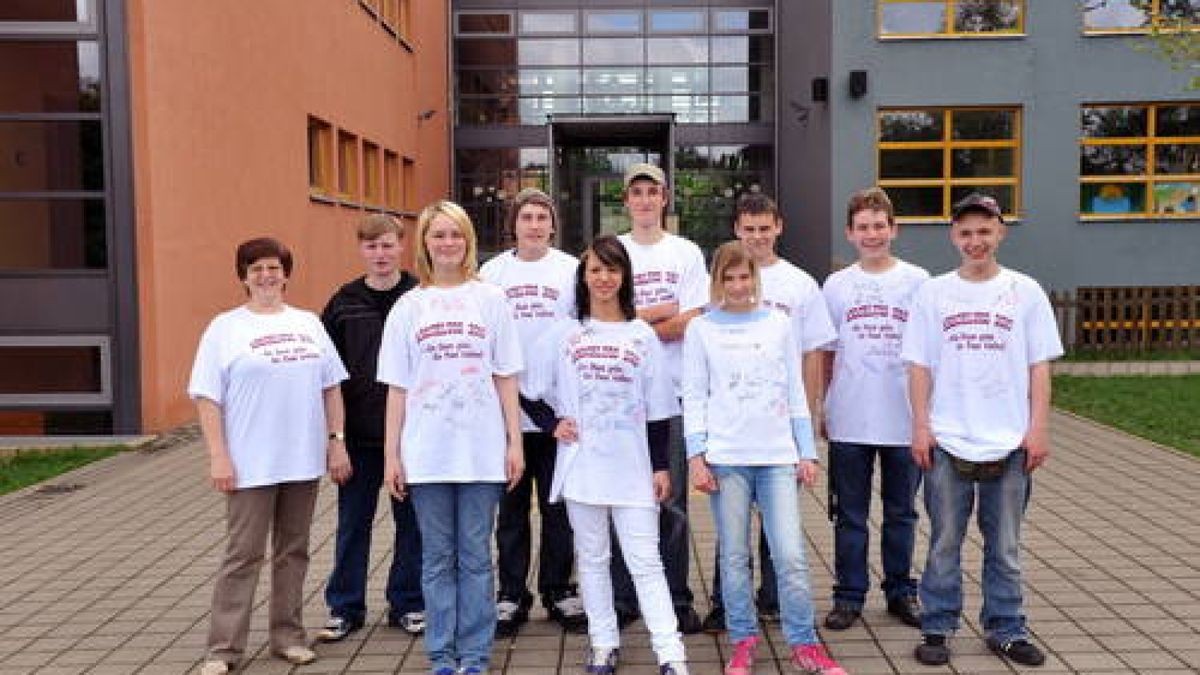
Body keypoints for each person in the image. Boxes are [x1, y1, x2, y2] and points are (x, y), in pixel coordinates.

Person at [901, 194, 1063, 668]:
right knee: (944, 540)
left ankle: (1006, 627)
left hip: (1010, 442)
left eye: (984, 231)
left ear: (1000, 233)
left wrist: (1038, 428)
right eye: (966, 232)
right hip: (949, 440)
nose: (975, 241)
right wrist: (921, 426)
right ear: (954, 236)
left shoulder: (1025, 292)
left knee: (1006, 546)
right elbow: (919, 366)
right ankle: (937, 625)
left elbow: (1039, 366)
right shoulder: (933, 293)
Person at [189, 237, 353, 675]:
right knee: (243, 554)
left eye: (274, 267)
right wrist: (218, 456)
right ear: (243, 276)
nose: (266, 275)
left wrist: (337, 440)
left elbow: (331, 386)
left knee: (294, 551)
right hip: (249, 463)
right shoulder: (225, 329)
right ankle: (223, 649)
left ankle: (287, 636)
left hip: (301, 459)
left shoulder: (308, 324)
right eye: (256, 268)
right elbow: (207, 398)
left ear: (286, 273)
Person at [683, 241, 847, 675]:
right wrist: (696, 456)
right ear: (716, 282)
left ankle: (804, 643)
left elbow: (795, 391)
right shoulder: (701, 329)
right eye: (728, 278)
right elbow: (695, 396)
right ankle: (743, 640)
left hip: (777, 457)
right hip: (726, 458)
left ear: (756, 279)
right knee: (734, 556)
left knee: (790, 554)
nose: (738, 286)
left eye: (745, 277)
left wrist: (806, 450)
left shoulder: (778, 324)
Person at [378, 201, 524, 675]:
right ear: (424, 242)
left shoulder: (491, 300)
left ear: (468, 241)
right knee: (438, 559)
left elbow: (505, 376)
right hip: (427, 454)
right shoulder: (408, 306)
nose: (447, 243)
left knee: (477, 558)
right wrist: (391, 456)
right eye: (437, 235)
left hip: (480, 452)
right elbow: (397, 389)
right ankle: (442, 656)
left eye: (455, 234)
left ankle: (476, 655)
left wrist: (514, 442)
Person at [533, 234, 690, 675]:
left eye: (612, 269)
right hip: (582, 465)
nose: (604, 278)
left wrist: (661, 465)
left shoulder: (642, 335)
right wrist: (551, 424)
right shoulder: (565, 333)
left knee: (645, 560)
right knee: (593, 558)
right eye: (595, 270)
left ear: (625, 276)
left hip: (633, 467)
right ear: (583, 277)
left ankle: (670, 653)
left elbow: (659, 408)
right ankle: (603, 644)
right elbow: (525, 386)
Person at [703, 192, 837, 632]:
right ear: (737, 230)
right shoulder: (724, 282)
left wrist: (810, 422)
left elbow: (812, 355)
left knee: (780, 531)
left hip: (780, 429)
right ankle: (727, 606)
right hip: (734, 432)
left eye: (765, 228)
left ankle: (775, 599)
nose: (757, 237)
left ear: (778, 227)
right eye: (749, 228)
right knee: (733, 531)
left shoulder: (800, 284)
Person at [820, 188, 929, 631]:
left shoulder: (919, 281)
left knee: (902, 512)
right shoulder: (836, 285)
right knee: (850, 513)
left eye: (879, 226)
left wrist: (927, 415)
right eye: (863, 227)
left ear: (894, 229)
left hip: (903, 419)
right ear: (850, 232)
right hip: (850, 416)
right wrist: (824, 406)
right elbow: (826, 352)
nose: (871, 234)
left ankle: (902, 591)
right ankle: (849, 595)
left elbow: (927, 354)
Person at [480, 188, 586, 638]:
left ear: (553, 224)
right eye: (527, 217)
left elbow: (582, 333)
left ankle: (559, 590)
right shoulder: (493, 272)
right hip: (507, 417)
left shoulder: (570, 270)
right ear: (514, 224)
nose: (535, 224)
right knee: (511, 511)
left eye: (543, 216)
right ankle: (510, 594)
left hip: (559, 416)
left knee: (558, 508)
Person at [316, 214, 423, 643]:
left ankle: (409, 603)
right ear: (361, 250)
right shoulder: (344, 302)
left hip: (412, 435)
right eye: (371, 246)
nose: (380, 254)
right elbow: (328, 379)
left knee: (413, 525)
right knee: (353, 524)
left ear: (402, 245)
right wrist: (335, 442)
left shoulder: (420, 296)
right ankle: (345, 607)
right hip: (358, 437)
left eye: (387, 245)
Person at [613, 162, 707, 634]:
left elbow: (692, 318)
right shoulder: (613, 251)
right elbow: (604, 318)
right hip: (618, 401)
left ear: (665, 198)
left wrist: (635, 323)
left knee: (670, 503)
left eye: (653, 191)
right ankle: (624, 598)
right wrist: (659, 313)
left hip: (671, 398)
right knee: (622, 499)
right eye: (637, 192)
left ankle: (676, 597)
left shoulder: (686, 253)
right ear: (625, 200)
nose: (646, 200)